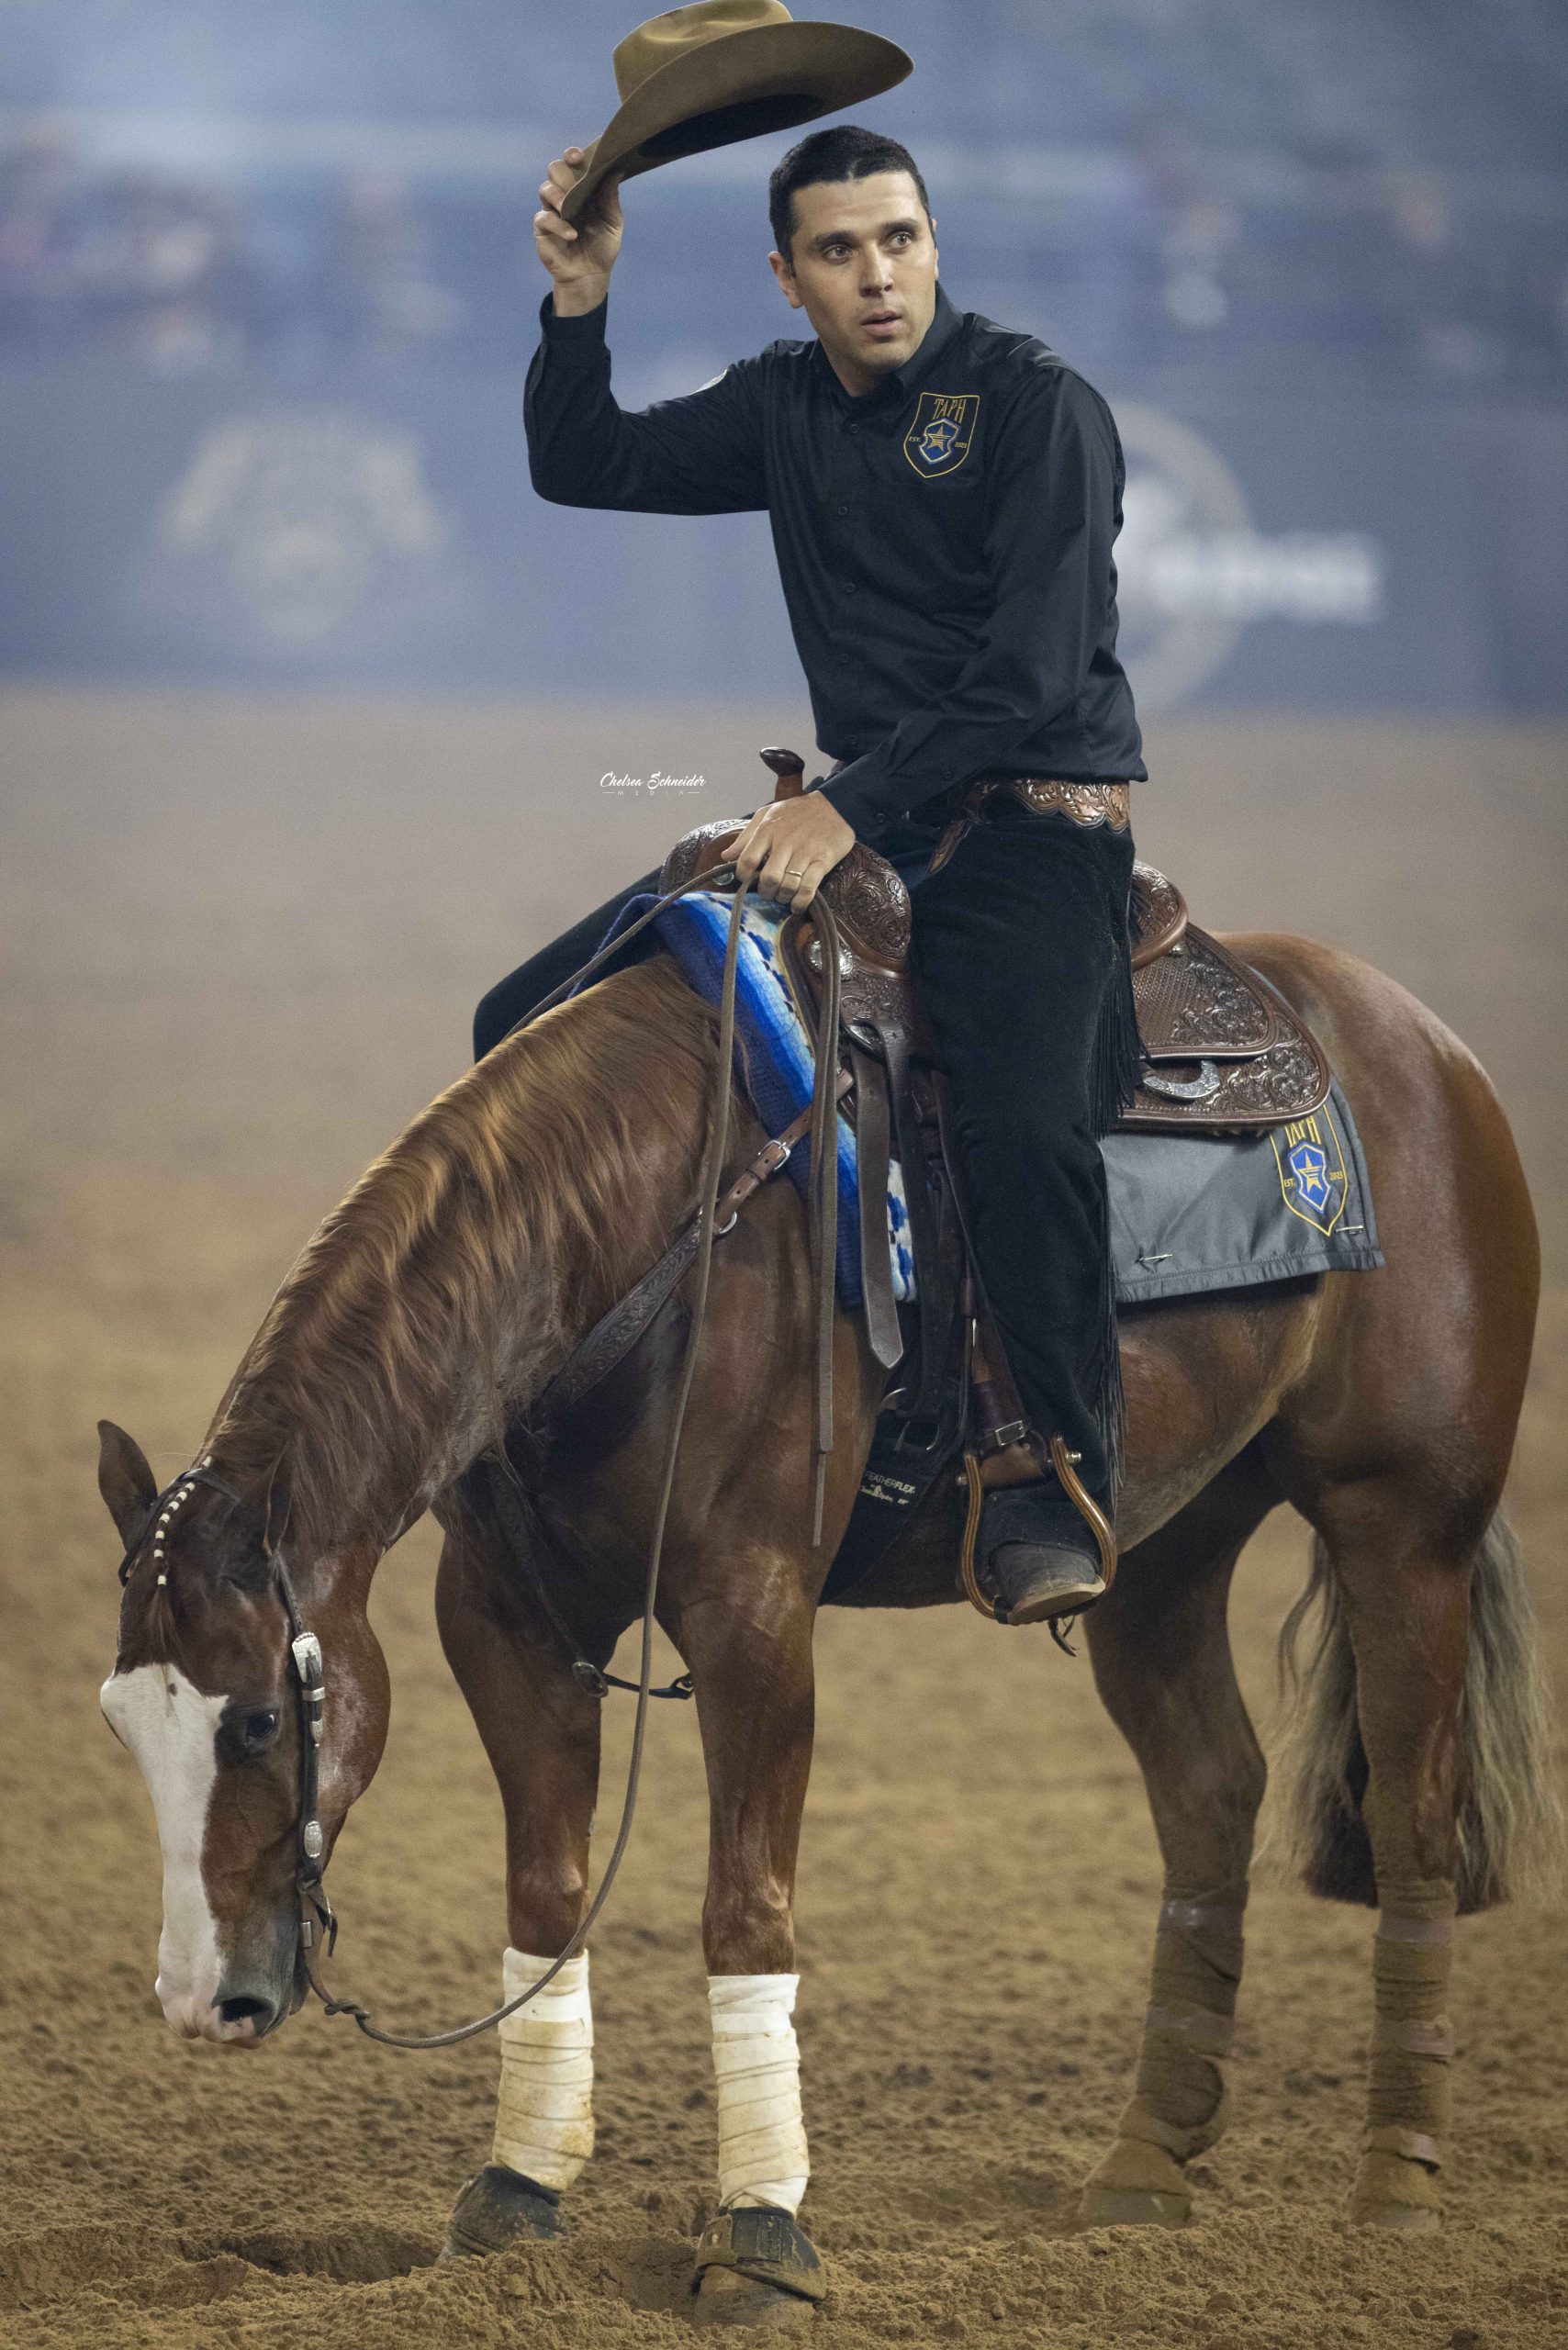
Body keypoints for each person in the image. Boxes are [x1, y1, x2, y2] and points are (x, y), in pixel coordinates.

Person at [475, 122, 1147, 1625]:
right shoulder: (783, 406)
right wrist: (579, 301)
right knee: (523, 1017)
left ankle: (1052, 1464)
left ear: (932, 242)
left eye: (900, 238)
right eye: (839, 251)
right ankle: (555, 1393)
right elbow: (585, 465)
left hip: (1037, 827)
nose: (878, 274)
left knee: (1024, 1120)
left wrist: (847, 807)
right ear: (788, 280)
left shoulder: (1038, 407)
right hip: (870, 819)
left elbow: (1031, 675)